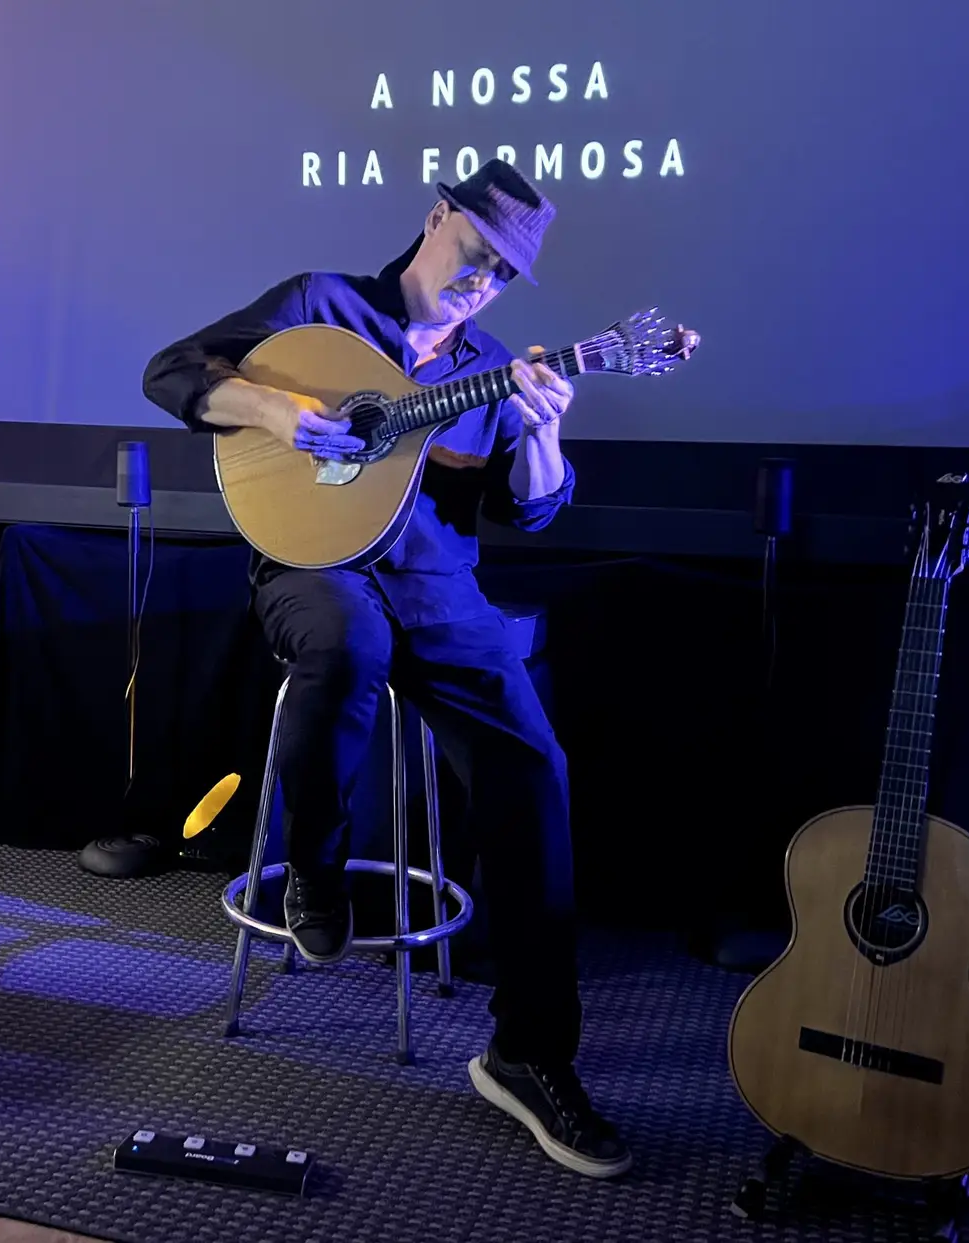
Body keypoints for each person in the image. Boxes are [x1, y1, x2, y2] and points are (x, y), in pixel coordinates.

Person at [141, 160, 697, 1179]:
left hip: (439, 586)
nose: (478, 284)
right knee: (347, 643)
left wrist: (545, 432)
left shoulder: (492, 367)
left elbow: (523, 509)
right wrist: (272, 415)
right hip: (312, 561)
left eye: (500, 278)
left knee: (535, 763)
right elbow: (172, 369)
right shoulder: (322, 308)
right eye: (473, 256)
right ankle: (312, 859)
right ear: (437, 219)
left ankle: (529, 1051)